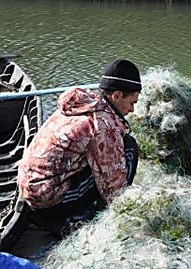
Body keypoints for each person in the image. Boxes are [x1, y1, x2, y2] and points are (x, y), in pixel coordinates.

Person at [16, 59, 142, 235]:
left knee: (105, 155)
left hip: (27, 185)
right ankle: (70, 218)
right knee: (129, 147)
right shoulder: (103, 123)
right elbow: (113, 187)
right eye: (132, 103)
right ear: (117, 95)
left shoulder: (81, 104)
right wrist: (127, 205)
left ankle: (49, 212)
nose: (132, 110)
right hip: (47, 199)